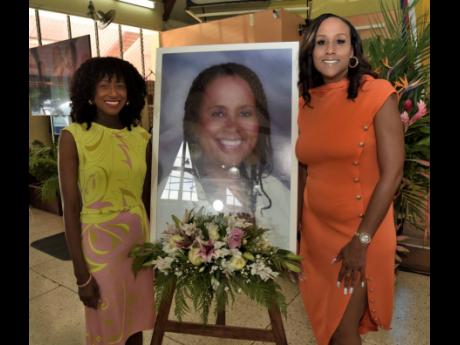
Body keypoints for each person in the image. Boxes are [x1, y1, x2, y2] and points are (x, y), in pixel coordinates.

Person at [296, 14, 405, 345]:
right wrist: (297, 232)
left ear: (353, 50)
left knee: (344, 331)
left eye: (340, 41)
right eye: (321, 42)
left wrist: (362, 241)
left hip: (360, 231)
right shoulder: (305, 100)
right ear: (311, 51)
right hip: (315, 235)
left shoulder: (377, 93)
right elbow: (305, 167)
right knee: (328, 329)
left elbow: (393, 172)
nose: (330, 49)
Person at [58, 57, 155, 345]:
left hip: (138, 243)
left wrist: (155, 252)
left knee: (136, 323)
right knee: (106, 328)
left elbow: (147, 199)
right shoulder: (74, 136)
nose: (113, 93)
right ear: (89, 91)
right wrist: (81, 275)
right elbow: (71, 208)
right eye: (104, 85)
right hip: (100, 248)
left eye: (120, 85)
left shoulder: (141, 137)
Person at [156, 62, 291, 250]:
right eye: (218, 113)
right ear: (195, 124)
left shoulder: (276, 191)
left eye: (245, 113)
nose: (233, 126)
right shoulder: (175, 192)